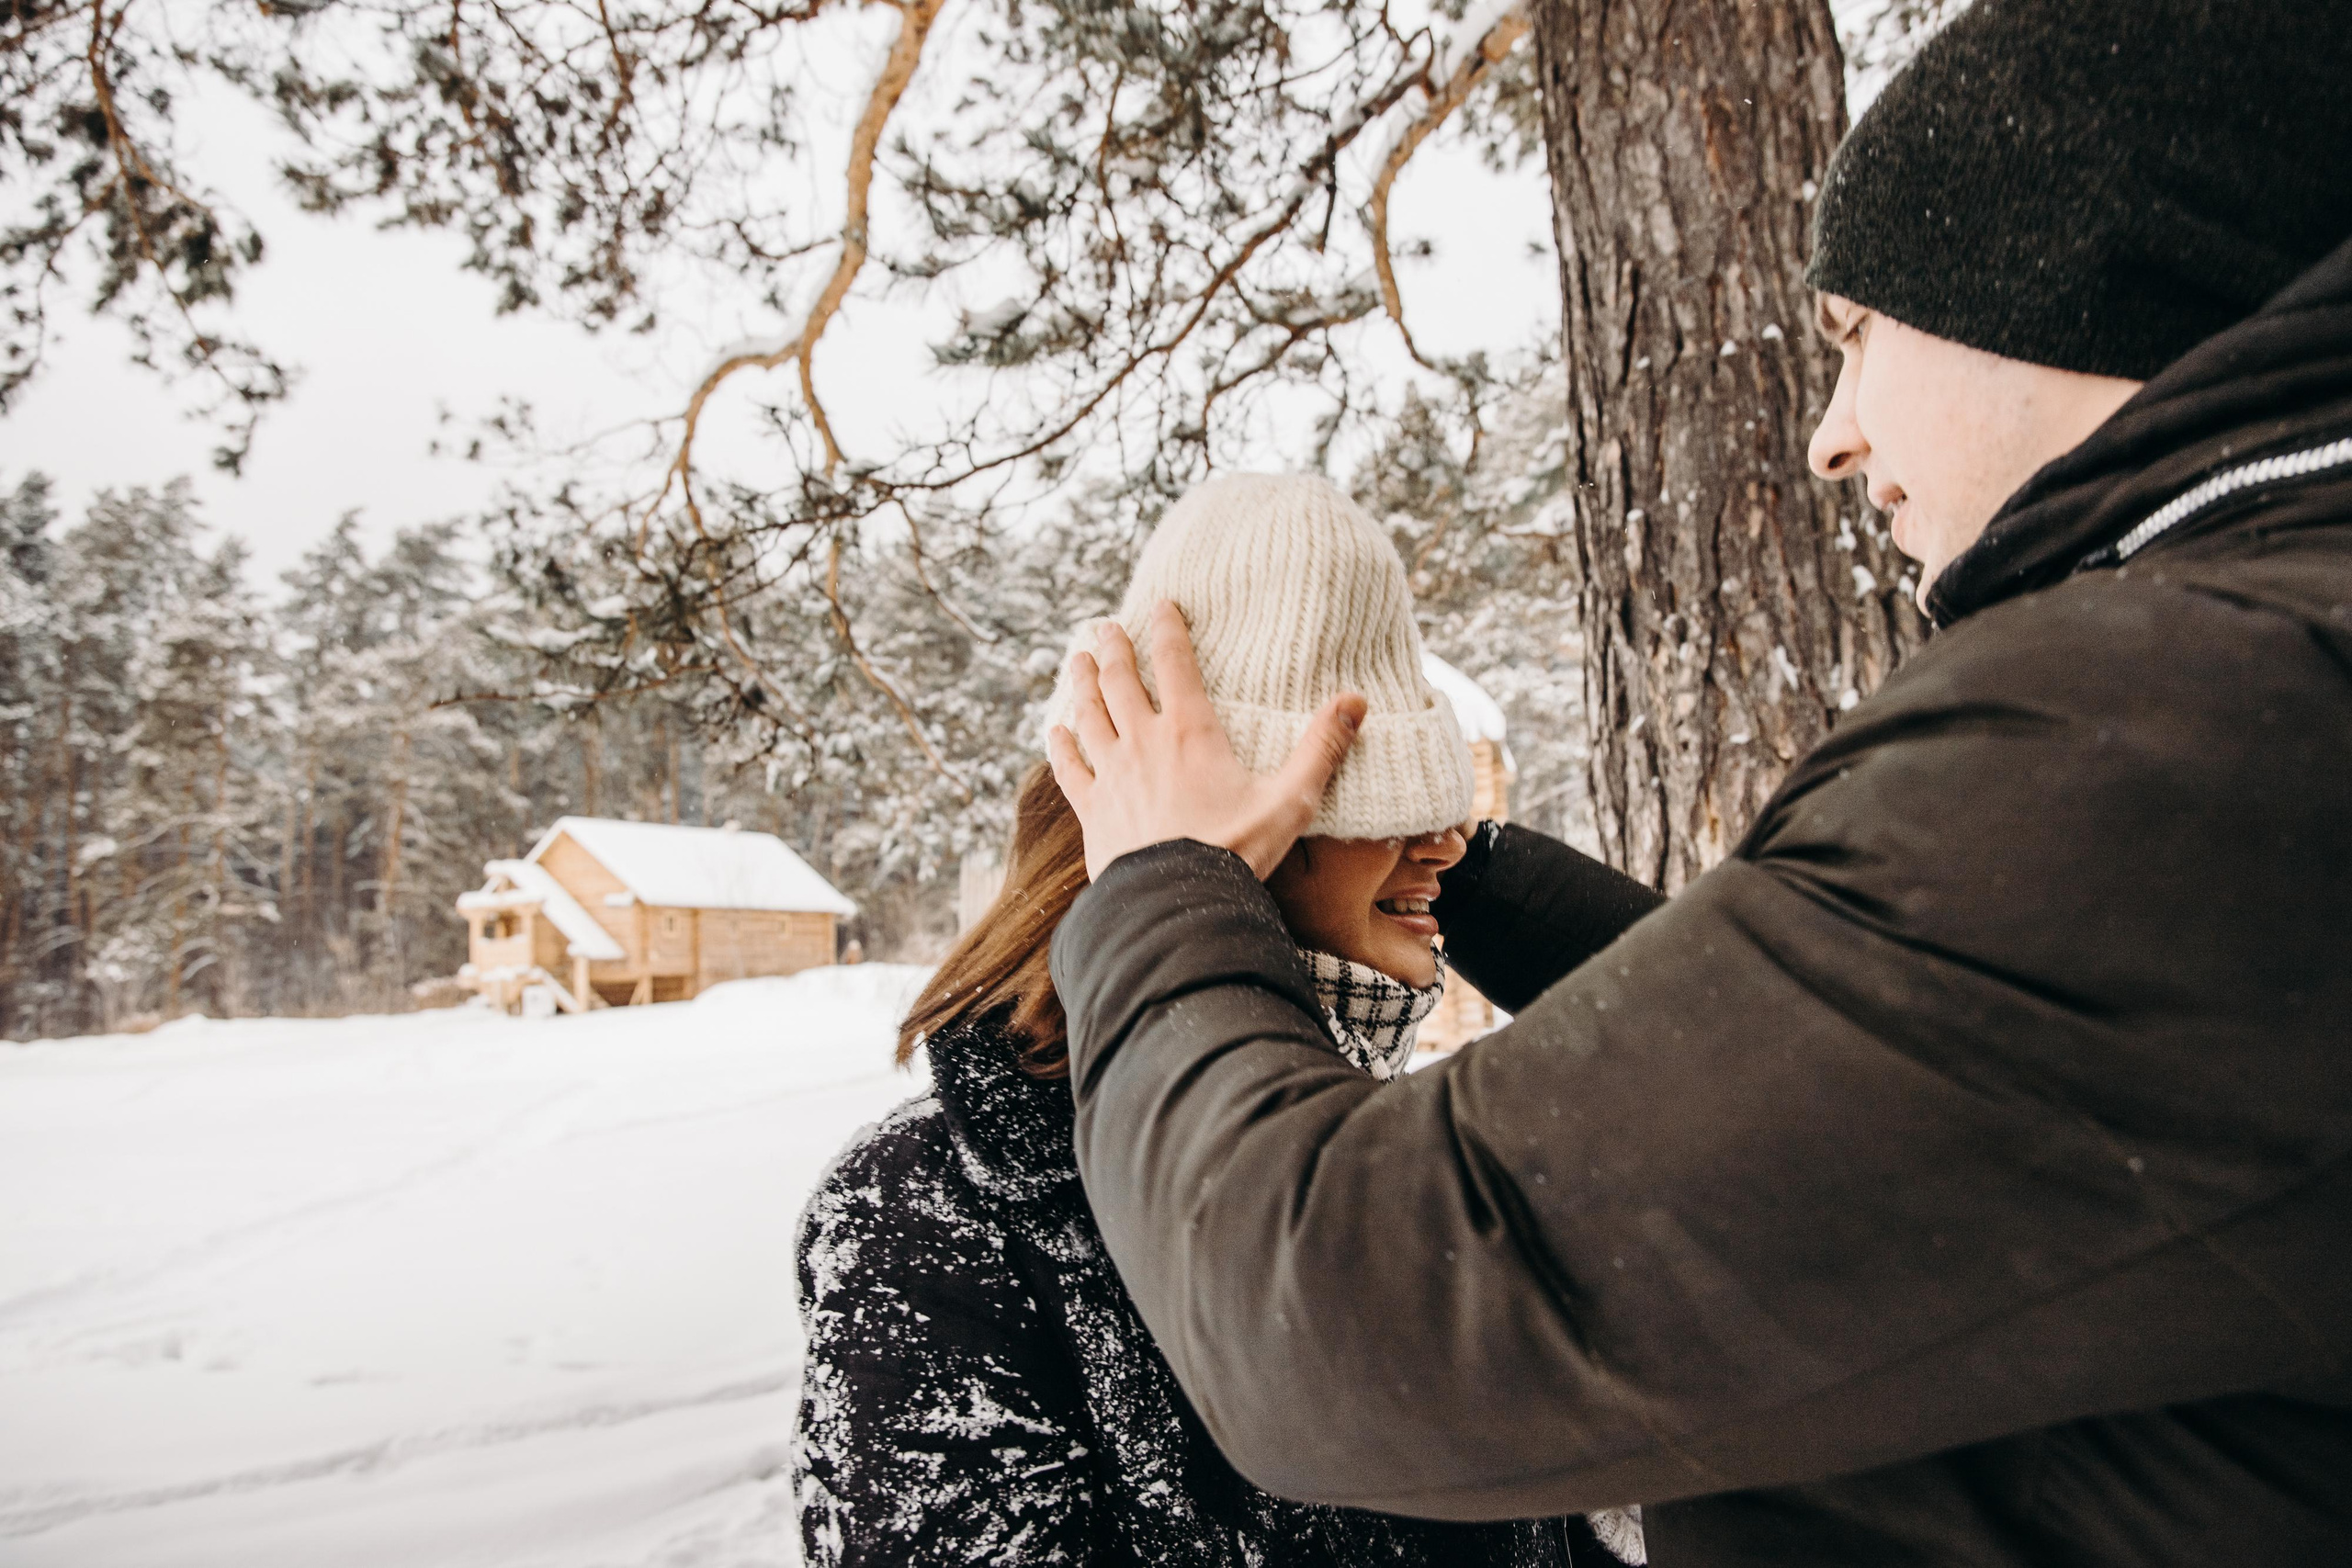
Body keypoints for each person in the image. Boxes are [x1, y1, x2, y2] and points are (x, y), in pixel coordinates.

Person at [1040, 1, 2352, 1563]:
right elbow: (1876, 1104)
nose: (1830, 438)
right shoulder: (2252, 703)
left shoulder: (2162, 729)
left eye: (1857, 333)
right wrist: (1460, 866)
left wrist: (1163, 892)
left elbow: (1344, 1308)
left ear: (2064, 276)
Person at [790, 476, 1629, 1565]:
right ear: (1233, 844)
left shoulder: (1425, 1151)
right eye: (1375, 807)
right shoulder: (924, 1215)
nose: (1446, 847)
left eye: (1441, 807)